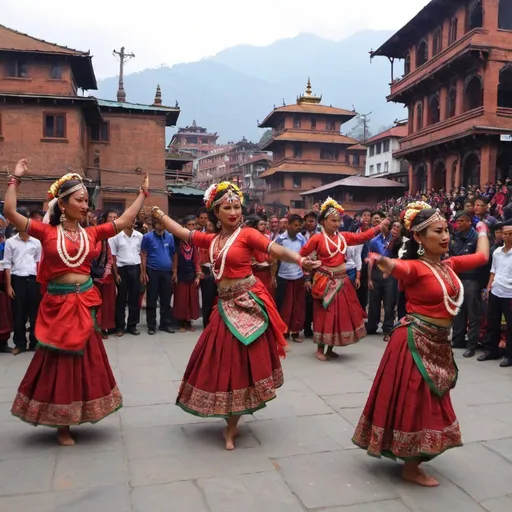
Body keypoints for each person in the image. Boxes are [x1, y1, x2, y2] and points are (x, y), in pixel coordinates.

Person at [151, 182, 320, 450]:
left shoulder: (248, 234)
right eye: (226, 207)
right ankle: (229, 416)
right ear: (215, 213)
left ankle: (232, 425)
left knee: (242, 365)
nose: (233, 212)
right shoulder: (212, 240)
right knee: (219, 361)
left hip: (248, 302)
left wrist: (300, 261)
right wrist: (160, 216)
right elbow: (183, 232)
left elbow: (274, 250)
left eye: (236, 207)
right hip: (224, 305)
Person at [3, 158, 149, 446]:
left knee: (87, 360)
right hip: (58, 306)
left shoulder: (91, 233)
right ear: (63, 204)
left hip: (83, 302)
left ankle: (82, 408)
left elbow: (123, 222)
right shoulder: (46, 232)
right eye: (80, 200)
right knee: (60, 362)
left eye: (86, 201)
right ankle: (61, 423)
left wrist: (142, 194)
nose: (86, 206)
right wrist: (15, 179)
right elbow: (9, 212)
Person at [352, 202, 489, 487]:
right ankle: (411, 467)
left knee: (429, 401)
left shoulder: (449, 265)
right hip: (414, 342)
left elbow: (482, 255)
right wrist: (382, 261)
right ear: (418, 237)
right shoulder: (415, 267)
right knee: (415, 402)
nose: (445, 237)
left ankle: (413, 456)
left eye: (446, 231)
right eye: (437, 232)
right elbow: (397, 267)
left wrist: (482, 226)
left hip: (438, 343)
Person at [300, 198, 389, 361]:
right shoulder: (317, 239)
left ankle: (331, 347)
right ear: (323, 221)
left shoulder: (343, 237)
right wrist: (309, 269)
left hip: (342, 281)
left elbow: (362, 237)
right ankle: (320, 348)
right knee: (324, 315)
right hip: (325, 282)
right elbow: (301, 255)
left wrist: (378, 227)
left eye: (338, 221)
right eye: (333, 220)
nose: (336, 224)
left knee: (339, 316)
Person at [3, 218, 42, 354]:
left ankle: (34, 342)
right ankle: (20, 344)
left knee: (35, 314)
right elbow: (7, 264)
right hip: (17, 280)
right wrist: (9, 286)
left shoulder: (36, 242)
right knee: (18, 314)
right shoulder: (10, 242)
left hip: (34, 280)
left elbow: (38, 262)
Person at [478, 223, 512, 367]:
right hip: (496, 290)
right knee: (492, 322)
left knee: (511, 325)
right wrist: (488, 286)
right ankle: (491, 351)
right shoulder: (497, 252)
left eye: (510, 233)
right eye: (505, 233)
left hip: (510, 294)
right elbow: (493, 270)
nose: (507, 236)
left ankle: (509, 355)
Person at [449, 211, 481, 358]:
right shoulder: (456, 236)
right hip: (457, 277)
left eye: (462, 221)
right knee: (458, 311)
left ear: (469, 222)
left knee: (473, 313)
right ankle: (458, 339)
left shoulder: (476, 238)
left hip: (471, 279)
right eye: (457, 221)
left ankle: (472, 344)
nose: (459, 224)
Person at [272, 214, 308, 343]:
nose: (298, 228)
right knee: (284, 306)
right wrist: (273, 276)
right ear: (288, 225)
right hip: (283, 276)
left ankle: (295, 332)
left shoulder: (302, 239)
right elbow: (274, 259)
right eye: (295, 225)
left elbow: (305, 258)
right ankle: (283, 331)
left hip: (298, 276)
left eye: (299, 225)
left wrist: (306, 277)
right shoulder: (280, 240)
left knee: (298, 306)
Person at [141, 217, 176, 335]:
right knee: (151, 299)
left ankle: (165, 324)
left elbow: (174, 254)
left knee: (166, 299)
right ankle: (151, 326)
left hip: (167, 272)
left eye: (163, 223)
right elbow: (144, 255)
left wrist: (175, 271)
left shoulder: (170, 237)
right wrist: (143, 272)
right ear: (154, 224)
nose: (161, 226)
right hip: (152, 271)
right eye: (159, 223)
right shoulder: (147, 237)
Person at [109, 219, 143, 336]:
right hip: (122, 269)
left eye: (133, 220)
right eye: (130, 220)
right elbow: (113, 257)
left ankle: (132, 326)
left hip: (136, 268)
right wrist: (116, 273)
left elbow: (141, 254)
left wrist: (143, 272)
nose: (132, 222)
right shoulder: (116, 236)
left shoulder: (139, 236)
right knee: (121, 299)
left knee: (134, 298)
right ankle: (120, 327)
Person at [172, 215, 201, 332]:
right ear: (184, 226)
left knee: (191, 299)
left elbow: (197, 259)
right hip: (180, 273)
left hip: (192, 273)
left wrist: (198, 274)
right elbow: (174, 257)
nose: (192, 227)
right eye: (189, 225)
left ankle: (189, 322)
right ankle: (181, 322)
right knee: (181, 299)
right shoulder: (177, 241)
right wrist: (174, 272)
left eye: (194, 225)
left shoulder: (195, 242)